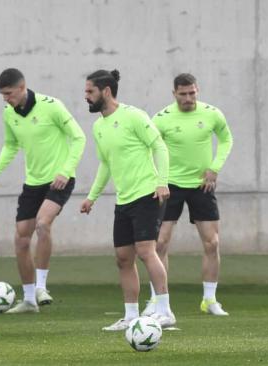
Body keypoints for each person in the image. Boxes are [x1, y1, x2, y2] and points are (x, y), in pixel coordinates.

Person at [0, 68, 86, 313]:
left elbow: (79, 137)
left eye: (8, 93)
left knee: (43, 224)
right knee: (20, 239)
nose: (5, 99)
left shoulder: (52, 106)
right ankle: (29, 300)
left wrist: (66, 170)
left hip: (59, 180)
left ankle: (41, 286)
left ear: (22, 87)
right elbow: (10, 146)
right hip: (33, 183)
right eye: (2, 95)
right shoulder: (9, 112)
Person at [80, 69, 176, 331]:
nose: (85, 96)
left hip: (147, 193)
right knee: (123, 258)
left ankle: (165, 310)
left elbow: (159, 146)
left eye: (90, 91)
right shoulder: (98, 126)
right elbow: (105, 164)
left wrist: (162, 182)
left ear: (106, 91)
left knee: (146, 251)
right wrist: (92, 197)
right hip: (124, 200)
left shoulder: (134, 115)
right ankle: (131, 315)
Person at [142, 73, 233, 317]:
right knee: (159, 243)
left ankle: (210, 299)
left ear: (197, 90)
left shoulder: (212, 113)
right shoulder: (161, 119)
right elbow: (149, 150)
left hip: (202, 186)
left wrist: (214, 168)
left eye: (192, 93)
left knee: (212, 243)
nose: (188, 98)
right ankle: (155, 300)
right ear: (174, 94)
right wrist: (158, 180)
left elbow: (226, 140)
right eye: (183, 94)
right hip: (170, 186)